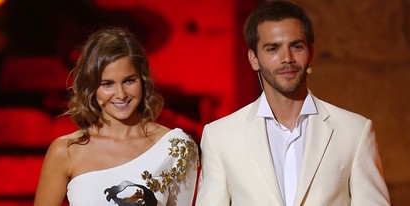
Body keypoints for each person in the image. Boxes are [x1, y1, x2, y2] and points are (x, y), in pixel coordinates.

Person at [195, 1, 390, 205]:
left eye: (296, 46)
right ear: (254, 58)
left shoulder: (354, 131)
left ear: (311, 53)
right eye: (273, 49)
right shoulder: (220, 137)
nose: (287, 58)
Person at [34, 27, 199, 206]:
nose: (120, 94)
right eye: (107, 84)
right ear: (91, 88)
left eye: (129, 81)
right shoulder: (66, 151)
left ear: (143, 81)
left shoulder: (175, 147)